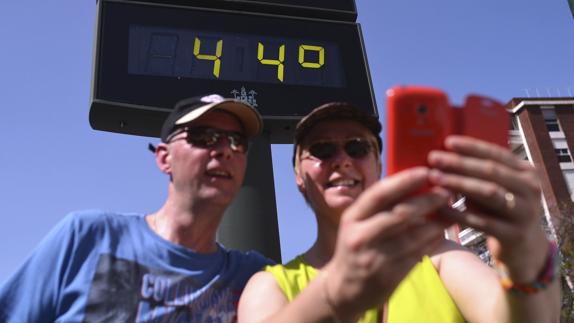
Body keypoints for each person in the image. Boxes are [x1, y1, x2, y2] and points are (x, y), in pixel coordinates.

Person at [238, 102, 560, 322]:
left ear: (378, 166)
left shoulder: (439, 259)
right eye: (321, 150)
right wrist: (335, 294)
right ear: (299, 176)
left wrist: (527, 261)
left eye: (358, 147)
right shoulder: (270, 285)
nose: (342, 159)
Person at [0, 94, 273, 322]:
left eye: (237, 141)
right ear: (164, 158)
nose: (225, 150)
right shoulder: (87, 237)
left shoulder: (255, 277)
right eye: (205, 137)